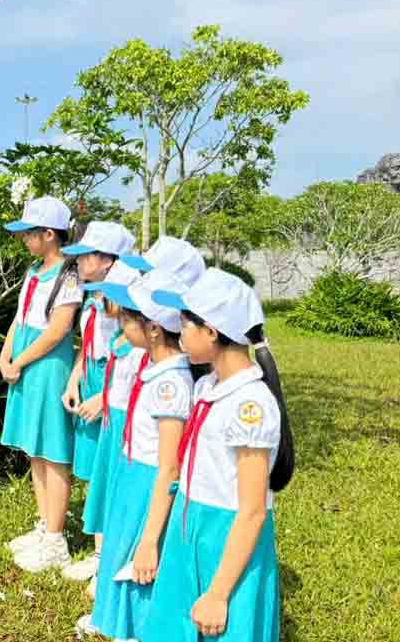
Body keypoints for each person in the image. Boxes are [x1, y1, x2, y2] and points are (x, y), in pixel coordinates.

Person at [141, 269, 296, 642]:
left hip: (226, 538)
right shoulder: (209, 386)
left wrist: (218, 593)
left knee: (221, 626)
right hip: (190, 522)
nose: (179, 332)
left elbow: (253, 510)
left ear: (211, 332)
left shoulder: (250, 405)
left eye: (185, 324)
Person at [73, 269, 193, 641]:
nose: (122, 326)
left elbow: (169, 467)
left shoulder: (172, 385)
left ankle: (137, 630)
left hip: (149, 481)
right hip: (132, 472)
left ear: (154, 329)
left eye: (128, 320)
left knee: (138, 558)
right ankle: (113, 619)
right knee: (118, 546)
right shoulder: (155, 367)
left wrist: (151, 538)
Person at [0, 196, 82, 572]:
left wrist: (20, 359)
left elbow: (58, 331)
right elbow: (20, 319)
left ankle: (56, 538)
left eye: (30, 233)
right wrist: (6, 354)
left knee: (54, 451)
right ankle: (44, 523)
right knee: (35, 448)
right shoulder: (33, 271)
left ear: (49, 234)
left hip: (48, 366)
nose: (25, 240)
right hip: (26, 362)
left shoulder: (69, 275)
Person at [53, 221, 136, 583]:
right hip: (90, 380)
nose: (78, 264)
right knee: (93, 471)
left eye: (84, 257)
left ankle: (116, 555)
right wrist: (75, 379)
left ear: (107, 260)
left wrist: (106, 396)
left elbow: (135, 353)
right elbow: (87, 345)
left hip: (114, 390)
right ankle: (102, 552)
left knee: (114, 472)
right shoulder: (91, 296)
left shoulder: (128, 302)